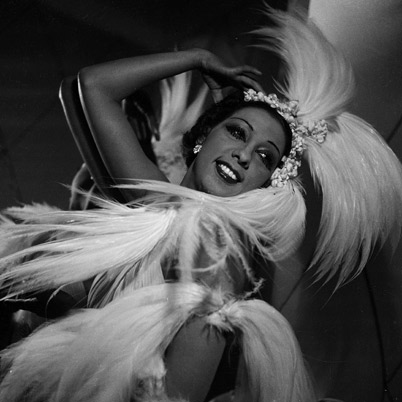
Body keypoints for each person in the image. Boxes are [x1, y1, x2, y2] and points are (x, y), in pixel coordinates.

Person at [0, 9, 402, 402]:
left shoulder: (215, 249)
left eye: (265, 156)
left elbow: (180, 395)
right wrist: (197, 59)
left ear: (267, 184)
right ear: (203, 137)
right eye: (237, 132)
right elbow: (90, 87)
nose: (244, 155)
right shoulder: (159, 201)